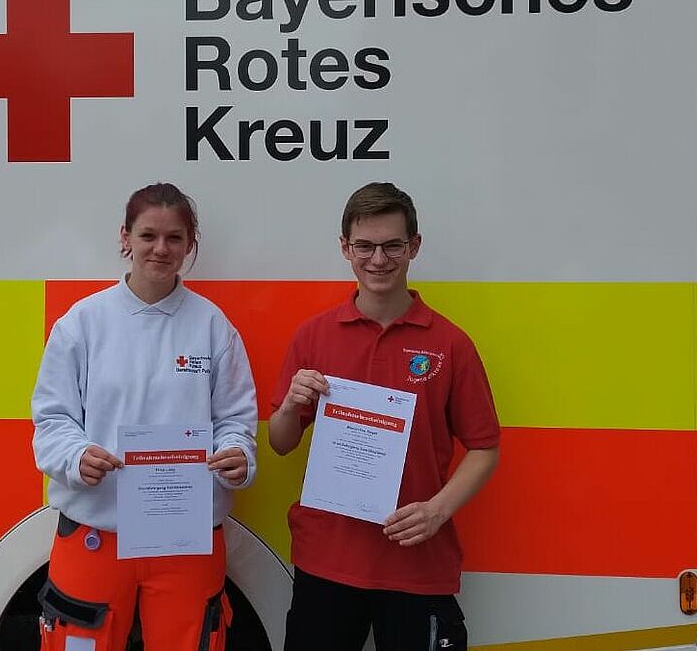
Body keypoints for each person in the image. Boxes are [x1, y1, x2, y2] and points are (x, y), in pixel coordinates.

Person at [269, 182, 500, 651]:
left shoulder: (450, 344)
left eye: (392, 245)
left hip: (416, 565)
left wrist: (437, 511)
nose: (378, 259)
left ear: (414, 246)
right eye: (365, 246)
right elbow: (280, 441)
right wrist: (290, 405)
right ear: (345, 248)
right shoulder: (314, 336)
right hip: (327, 562)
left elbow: (484, 447)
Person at [31, 182, 257, 651]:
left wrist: (236, 454)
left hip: (186, 537)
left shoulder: (213, 326)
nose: (161, 249)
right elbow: (52, 419)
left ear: (190, 245)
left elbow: (235, 419)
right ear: (125, 237)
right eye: (148, 235)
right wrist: (76, 457)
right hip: (96, 531)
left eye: (175, 238)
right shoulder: (83, 323)